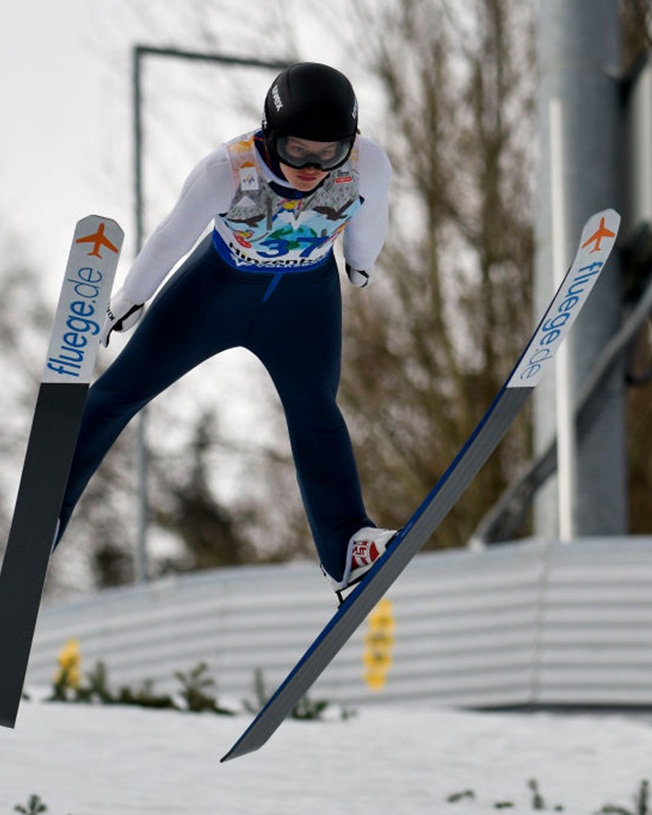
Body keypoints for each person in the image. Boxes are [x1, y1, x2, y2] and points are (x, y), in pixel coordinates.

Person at [55, 62, 396, 593]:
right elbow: (170, 238)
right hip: (216, 291)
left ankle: (348, 546)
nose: (310, 166)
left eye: (327, 153)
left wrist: (361, 260)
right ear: (269, 135)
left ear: (348, 143)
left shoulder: (367, 163)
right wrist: (129, 299)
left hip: (304, 302)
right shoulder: (227, 171)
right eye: (296, 150)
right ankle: (49, 510)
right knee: (120, 391)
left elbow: (371, 215)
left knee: (317, 415)